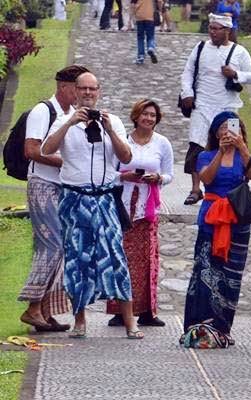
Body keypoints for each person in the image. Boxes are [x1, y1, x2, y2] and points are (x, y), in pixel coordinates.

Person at [41, 72, 143, 340]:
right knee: (77, 259)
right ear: (75, 91)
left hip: (105, 197)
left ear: (99, 91)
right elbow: (46, 150)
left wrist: (109, 129)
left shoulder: (115, 122)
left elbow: (126, 157)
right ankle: (80, 320)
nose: (87, 93)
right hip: (74, 198)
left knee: (116, 258)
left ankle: (130, 321)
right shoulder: (64, 121)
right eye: (83, 89)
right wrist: (69, 123)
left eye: (92, 89)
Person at [18, 65, 90, 332]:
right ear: (64, 87)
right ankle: (33, 308)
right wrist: (67, 162)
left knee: (63, 249)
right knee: (52, 246)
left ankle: (45, 310)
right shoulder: (43, 111)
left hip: (64, 187)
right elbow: (31, 150)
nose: (82, 92)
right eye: (78, 87)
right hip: (43, 185)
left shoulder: (71, 114)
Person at [183, 111, 251, 344]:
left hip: (236, 219)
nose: (228, 132)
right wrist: (221, 153)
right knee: (206, 269)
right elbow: (206, 179)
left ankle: (223, 328)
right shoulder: (206, 155)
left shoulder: (243, 156)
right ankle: (200, 325)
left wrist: (242, 148)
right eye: (223, 128)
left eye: (232, 127)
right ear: (216, 133)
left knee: (231, 275)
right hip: (212, 217)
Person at [106, 99, 173, 327]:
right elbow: (109, 172)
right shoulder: (123, 141)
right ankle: (119, 310)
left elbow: (169, 174)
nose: (148, 119)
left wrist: (159, 179)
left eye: (153, 115)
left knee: (148, 259)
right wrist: (124, 177)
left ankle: (147, 311)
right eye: (145, 114)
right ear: (136, 116)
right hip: (124, 206)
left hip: (147, 208)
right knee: (121, 257)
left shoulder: (162, 143)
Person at [180, 13, 251, 206]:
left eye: (217, 28)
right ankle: (196, 189)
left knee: (232, 142)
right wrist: (187, 93)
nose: (212, 32)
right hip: (202, 105)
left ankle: (233, 183)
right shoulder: (200, 48)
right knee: (197, 144)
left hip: (228, 107)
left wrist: (235, 74)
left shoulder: (239, 52)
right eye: (211, 28)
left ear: (227, 31)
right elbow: (188, 72)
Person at [134, 0, 162, 65]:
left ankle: (141, 56)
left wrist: (134, 14)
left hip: (139, 16)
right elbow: (160, 1)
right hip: (150, 16)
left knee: (140, 38)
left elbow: (133, 4)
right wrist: (159, 10)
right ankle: (151, 47)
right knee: (150, 36)